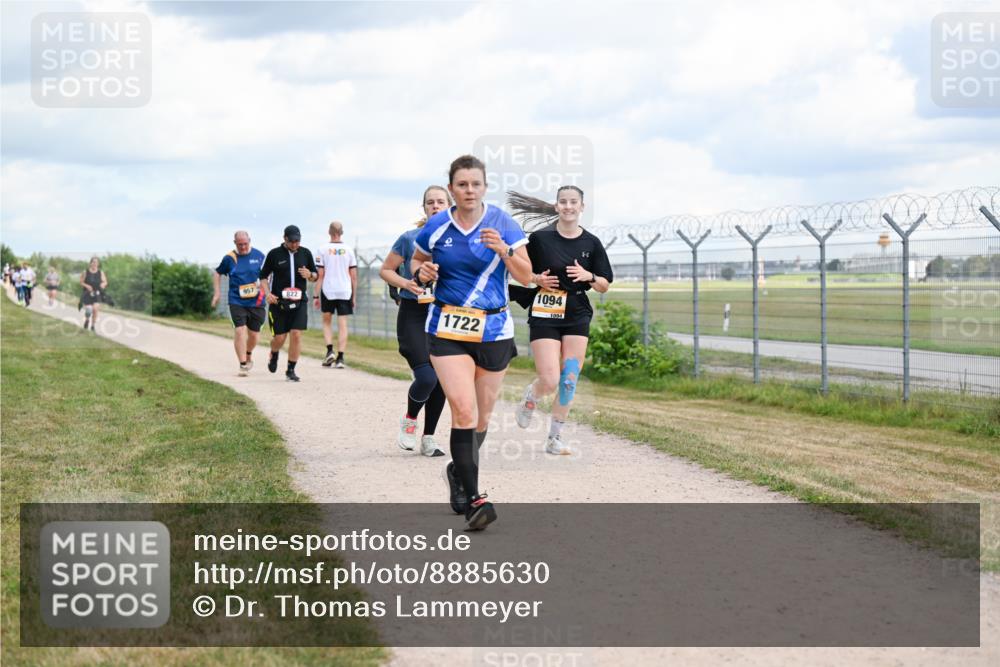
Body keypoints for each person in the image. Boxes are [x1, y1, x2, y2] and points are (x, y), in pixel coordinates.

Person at [411, 155, 532, 531]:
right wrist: (423, 271)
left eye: (475, 184)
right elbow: (416, 262)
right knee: (462, 411)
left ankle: (457, 471)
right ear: (451, 189)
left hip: (494, 330)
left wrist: (505, 251)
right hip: (447, 329)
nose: (469, 190)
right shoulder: (436, 226)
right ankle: (477, 500)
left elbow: (526, 277)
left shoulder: (502, 223)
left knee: (480, 419)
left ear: (484, 187)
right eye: (462, 184)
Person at [507, 188, 613, 455]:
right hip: (546, 310)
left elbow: (604, 285)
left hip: (577, 311)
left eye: (573, 202)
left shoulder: (591, 242)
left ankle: (554, 438)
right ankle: (532, 396)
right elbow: (520, 270)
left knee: (569, 378)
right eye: (563, 202)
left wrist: (588, 275)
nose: (568, 206)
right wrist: (536, 279)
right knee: (551, 378)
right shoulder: (540, 239)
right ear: (556, 206)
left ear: (582, 206)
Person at [379, 186, 451, 457]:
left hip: (446, 317)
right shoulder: (410, 238)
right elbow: (385, 270)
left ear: (450, 205)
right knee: (426, 376)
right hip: (414, 315)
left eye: (440, 202)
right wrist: (406, 283)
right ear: (424, 208)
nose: (435, 206)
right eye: (430, 203)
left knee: (442, 381)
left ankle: (429, 437)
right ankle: (410, 419)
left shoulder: (459, 241)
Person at [260, 225, 318, 382]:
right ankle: (274, 352)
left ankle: (290, 370)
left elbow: (315, 275)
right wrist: (267, 294)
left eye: (297, 241)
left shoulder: (305, 253)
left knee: (296, 334)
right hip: (278, 302)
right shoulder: (274, 254)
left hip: (299, 301)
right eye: (292, 241)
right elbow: (263, 277)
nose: (295, 244)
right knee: (280, 338)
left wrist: (310, 274)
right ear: (284, 239)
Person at [212, 231, 266, 376]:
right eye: (239, 244)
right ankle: (243, 364)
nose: (243, 247)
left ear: (250, 241)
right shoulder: (230, 258)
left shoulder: (259, 256)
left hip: (257, 301)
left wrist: (266, 287)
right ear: (235, 243)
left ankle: (248, 353)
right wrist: (217, 292)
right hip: (236, 300)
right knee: (239, 330)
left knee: (254, 335)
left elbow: (268, 275)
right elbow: (217, 273)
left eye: (245, 244)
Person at [313, 221, 357, 369]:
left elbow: (320, 274)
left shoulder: (322, 249)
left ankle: (330, 350)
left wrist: (315, 295)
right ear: (342, 232)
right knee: (342, 324)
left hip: (328, 290)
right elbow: (353, 276)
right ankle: (341, 358)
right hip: (345, 290)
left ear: (329, 232)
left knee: (326, 321)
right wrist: (354, 296)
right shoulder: (349, 250)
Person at [80, 257, 107, 330]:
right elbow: (81, 282)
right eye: (93, 262)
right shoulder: (85, 272)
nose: (94, 264)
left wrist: (103, 285)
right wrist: (87, 285)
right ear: (90, 263)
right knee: (89, 310)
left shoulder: (101, 272)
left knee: (95, 309)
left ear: (98, 264)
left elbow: (105, 282)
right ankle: (87, 320)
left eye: (96, 262)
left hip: (97, 293)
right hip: (87, 293)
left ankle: (92, 326)